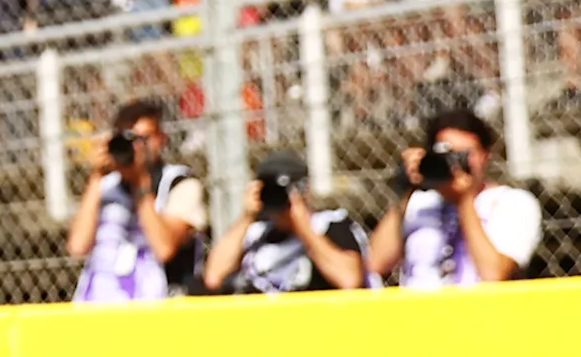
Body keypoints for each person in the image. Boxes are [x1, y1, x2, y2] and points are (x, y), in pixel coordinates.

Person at [367, 106, 538, 287]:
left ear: (486, 155)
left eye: (465, 153)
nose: (455, 162)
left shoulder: (513, 202)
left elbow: (493, 274)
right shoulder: (419, 202)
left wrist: (465, 200)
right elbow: (375, 264)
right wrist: (406, 190)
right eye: (448, 154)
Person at [67, 98, 203, 302]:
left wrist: (140, 185)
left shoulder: (179, 184)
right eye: (129, 139)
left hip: (158, 303)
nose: (137, 147)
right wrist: (96, 177)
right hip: (102, 301)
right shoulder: (105, 185)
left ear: (161, 138)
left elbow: (164, 248)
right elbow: (77, 246)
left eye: (145, 138)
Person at [200, 148, 367, 294]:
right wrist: (246, 217)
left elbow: (349, 280)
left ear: (304, 190)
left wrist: (303, 225)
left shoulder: (329, 224)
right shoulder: (255, 233)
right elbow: (213, 276)